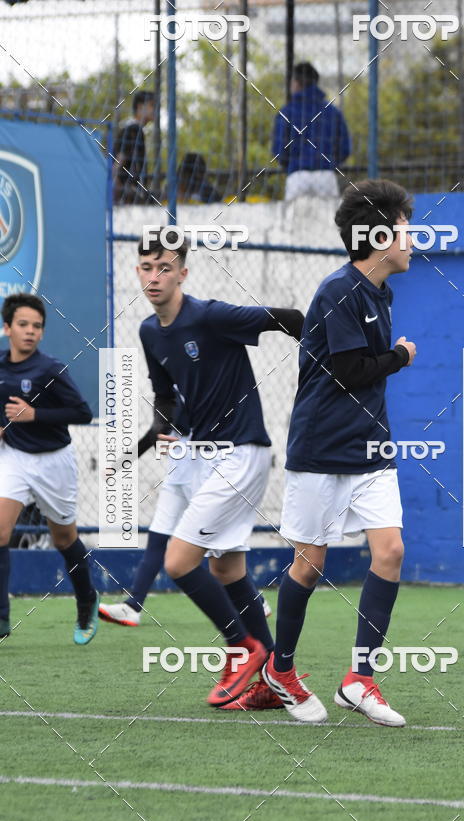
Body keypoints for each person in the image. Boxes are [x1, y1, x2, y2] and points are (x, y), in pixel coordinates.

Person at [262, 180, 417, 726]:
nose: (411, 236)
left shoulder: (382, 293)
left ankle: (360, 678)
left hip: (371, 448)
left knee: (391, 551)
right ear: (378, 236)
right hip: (322, 448)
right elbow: (351, 374)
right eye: (403, 227)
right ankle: (280, 670)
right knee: (310, 565)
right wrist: (400, 356)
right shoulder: (337, 292)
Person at [132, 229, 304, 709]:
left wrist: (328, 360)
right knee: (226, 567)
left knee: (178, 562)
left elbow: (286, 319)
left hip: (241, 452)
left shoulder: (210, 316)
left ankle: (241, 646)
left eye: (165, 267)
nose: (154, 276)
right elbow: (165, 394)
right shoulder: (150, 331)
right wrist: (164, 427)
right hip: (205, 456)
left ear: (183, 273)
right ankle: (272, 673)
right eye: (146, 267)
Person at [98, 399, 272, 628]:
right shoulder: (168, 388)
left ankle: (256, 602)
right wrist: (121, 463)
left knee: (219, 549)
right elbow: (156, 432)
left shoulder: (196, 384)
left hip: (203, 475)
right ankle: (132, 607)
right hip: (175, 478)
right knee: (157, 540)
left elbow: (181, 423)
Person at [0, 294, 98, 644]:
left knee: (63, 538)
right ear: (7, 327)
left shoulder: (50, 369)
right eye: (23, 325)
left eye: (37, 326)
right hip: (14, 459)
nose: (30, 332)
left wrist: (34, 415)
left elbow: (82, 413)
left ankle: (86, 597)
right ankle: (1, 619)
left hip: (54, 461)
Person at [272, 62, 350, 202]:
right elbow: (345, 149)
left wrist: (291, 165)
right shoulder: (333, 112)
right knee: (328, 221)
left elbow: (279, 151)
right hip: (326, 175)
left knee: (294, 222)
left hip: (297, 175)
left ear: (296, 83)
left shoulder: (286, 112)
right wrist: (330, 163)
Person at [113, 90, 155, 205]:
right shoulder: (134, 129)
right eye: (152, 105)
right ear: (140, 107)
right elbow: (119, 159)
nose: (155, 110)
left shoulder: (133, 128)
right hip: (127, 195)